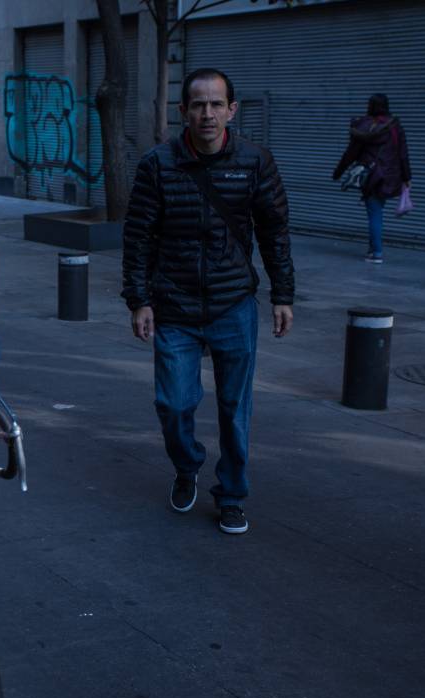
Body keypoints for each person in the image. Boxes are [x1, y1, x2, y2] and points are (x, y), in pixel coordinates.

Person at [122, 67, 295, 537]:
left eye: (217, 104)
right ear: (183, 112)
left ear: (231, 110)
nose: (208, 113)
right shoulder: (158, 165)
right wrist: (139, 299)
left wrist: (282, 294)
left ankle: (232, 495)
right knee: (174, 405)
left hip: (233, 303)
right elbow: (138, 236)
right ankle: (187, 465)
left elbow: (274, 231)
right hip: (174, 306)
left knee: (235, 409)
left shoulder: (255, 161)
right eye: (198, 104)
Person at [333, 94, 412, 264]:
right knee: (376, 211)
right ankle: (372, 250)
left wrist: (338, 172)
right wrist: (407, 177)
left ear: (370, 106)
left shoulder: (363, 126)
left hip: (369, 175)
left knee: (374, 214)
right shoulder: (395, 127)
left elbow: (351, 153)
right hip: (389, 176)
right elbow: (403, 154)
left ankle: (376, 252)